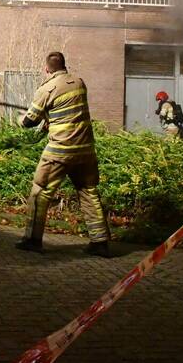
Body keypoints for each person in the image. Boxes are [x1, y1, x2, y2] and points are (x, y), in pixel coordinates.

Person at [15, 52, 113, 257]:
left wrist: (19, 117)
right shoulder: (79, 83)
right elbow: (68, 111)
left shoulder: (47, 88)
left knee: (40, 192)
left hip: (59, 151)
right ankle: (100, 242)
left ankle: (32, 240)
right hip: (85, 150)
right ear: (64, 65)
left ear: (46, 69)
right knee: (89, 192)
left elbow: (29, 122)